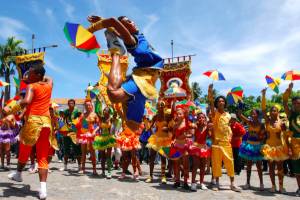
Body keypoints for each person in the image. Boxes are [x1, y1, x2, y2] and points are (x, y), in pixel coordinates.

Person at [87, 15, 164, 132]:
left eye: (130, 21)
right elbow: (113, 21)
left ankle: (116, 51)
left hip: (147, 80)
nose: (131, 23)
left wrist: (101, 21)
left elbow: (116, 28)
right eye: (126, 24)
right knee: (114, 95)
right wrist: (89, 31)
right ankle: (116, 52)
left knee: (133, 126)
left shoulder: (140, 37)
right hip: (142, 78)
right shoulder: (132, 40)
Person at [4, 60, 56, 199]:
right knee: (42, 156)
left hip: (33, 123)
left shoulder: (31, 86)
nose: (28, 74)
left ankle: (19, 174)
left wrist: (11, 108)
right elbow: (49, 78)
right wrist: (38, 76)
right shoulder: (49, 85)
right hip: (46, 124)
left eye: (31, 72)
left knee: (25, 150)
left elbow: (26, 101)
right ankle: (43, 190)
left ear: (37, 75)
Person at [208, 84, 241, 192]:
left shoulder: (228, 115)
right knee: (216, 163)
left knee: (230, 162)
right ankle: (217, 183)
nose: (221, 102)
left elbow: (229, 128)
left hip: (226, 143)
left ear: (225, 103)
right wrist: (210, 92)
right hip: (217, 143)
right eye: (219, 101)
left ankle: (232, 183)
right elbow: (211, 103)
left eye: (222, 101)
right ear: (217, 104)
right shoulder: (214, 114)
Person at [261, 88, 289, 193]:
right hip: (269, 147)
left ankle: (281, 186)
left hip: (279, 147)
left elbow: (285, 133)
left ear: (278, 112)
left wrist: (284, 129)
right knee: (271, 168)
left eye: (275, 110)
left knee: (280, 168)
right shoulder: (267, 121)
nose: (273, 112)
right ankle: (273, 186)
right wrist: (263, 96)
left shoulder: (282, 121)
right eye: (272, 110)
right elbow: (263, 110)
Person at [237, 108, 264, 190]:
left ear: (258, 115)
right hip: (249, 145)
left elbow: (263, 137)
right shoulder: (249, 122)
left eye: (254, 113)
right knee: (248, 165)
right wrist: (240, 106)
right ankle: (247, 183)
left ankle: (261, 183)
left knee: (259, 166)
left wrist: (258, 136)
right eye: (252, 113)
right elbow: (240, 115)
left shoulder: (261, 124)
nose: (252, 115)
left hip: (257, 146)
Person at [145, 101, 172, 184]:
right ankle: (150, 175)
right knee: (151, 157)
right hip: (156, 138)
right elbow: (149, 128)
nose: (160, 107)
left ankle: (163, 176)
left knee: (163, 158)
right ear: (157, 107)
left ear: (164, 107)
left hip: (164, 139)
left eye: (162, 106)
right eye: (159, 106)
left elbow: (171, 128)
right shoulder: (155, 117)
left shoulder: (167, 116)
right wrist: (146, 121)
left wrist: (167, 129)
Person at [283, 83, 300, 196]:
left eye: (297, 103)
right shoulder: (291, 114)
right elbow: (284, 103)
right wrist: (289, 90)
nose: (295, 105)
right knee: (297, 168)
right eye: (294, 103)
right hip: (295, 143)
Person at [189, 112, 211, 191]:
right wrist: (194, 126)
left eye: (203, 117)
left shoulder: (207, 127)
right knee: (195, 166)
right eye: (199, 118)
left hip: (203, 148)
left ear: (205, 119)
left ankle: (201, 183)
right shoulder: (195, 126)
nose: (201, 119)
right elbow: (191, 134)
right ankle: (193, 183)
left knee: (202, 166)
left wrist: (210, 128)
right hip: (196, 147)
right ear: (197, 119)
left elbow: (210, 135)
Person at [77, 100, 99, 175]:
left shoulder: (94, 114)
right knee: (83, 153)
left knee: (92, 153)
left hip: (92, 135)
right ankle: (83, 168)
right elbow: (79, 125)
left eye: (89, 105)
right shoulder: (83, 115)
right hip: (84, 135)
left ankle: (94, 169)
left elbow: (98, 125)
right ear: (85, 106)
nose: (88, 106)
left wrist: (94, 131)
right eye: (86, 105)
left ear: (91, 106)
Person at [93, 107, 116, 178]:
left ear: (109, 112)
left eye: (106, 110)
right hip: (102, 138)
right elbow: (96, 111)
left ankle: (109, 172)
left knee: (108, 156)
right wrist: (98, 102)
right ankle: (103, 171)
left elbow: (115, 113)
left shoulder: (111, 119)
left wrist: (114, 106)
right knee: (102, 155)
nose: (104, 111)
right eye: (104, 110)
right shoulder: (102, 119)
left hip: (109, 138)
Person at [61, 99, 81, 172]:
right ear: (68, 104)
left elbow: (80, 120)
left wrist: (74, 123)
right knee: (66, 149)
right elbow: (63, 119)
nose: (70, 104)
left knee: (77, 149)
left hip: (75, 133)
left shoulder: (77, 111)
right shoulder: (66, 111)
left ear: (74, 104)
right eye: (69, 103)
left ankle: (79, 167)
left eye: (72, 103)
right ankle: (65, 166)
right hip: (66, 132)